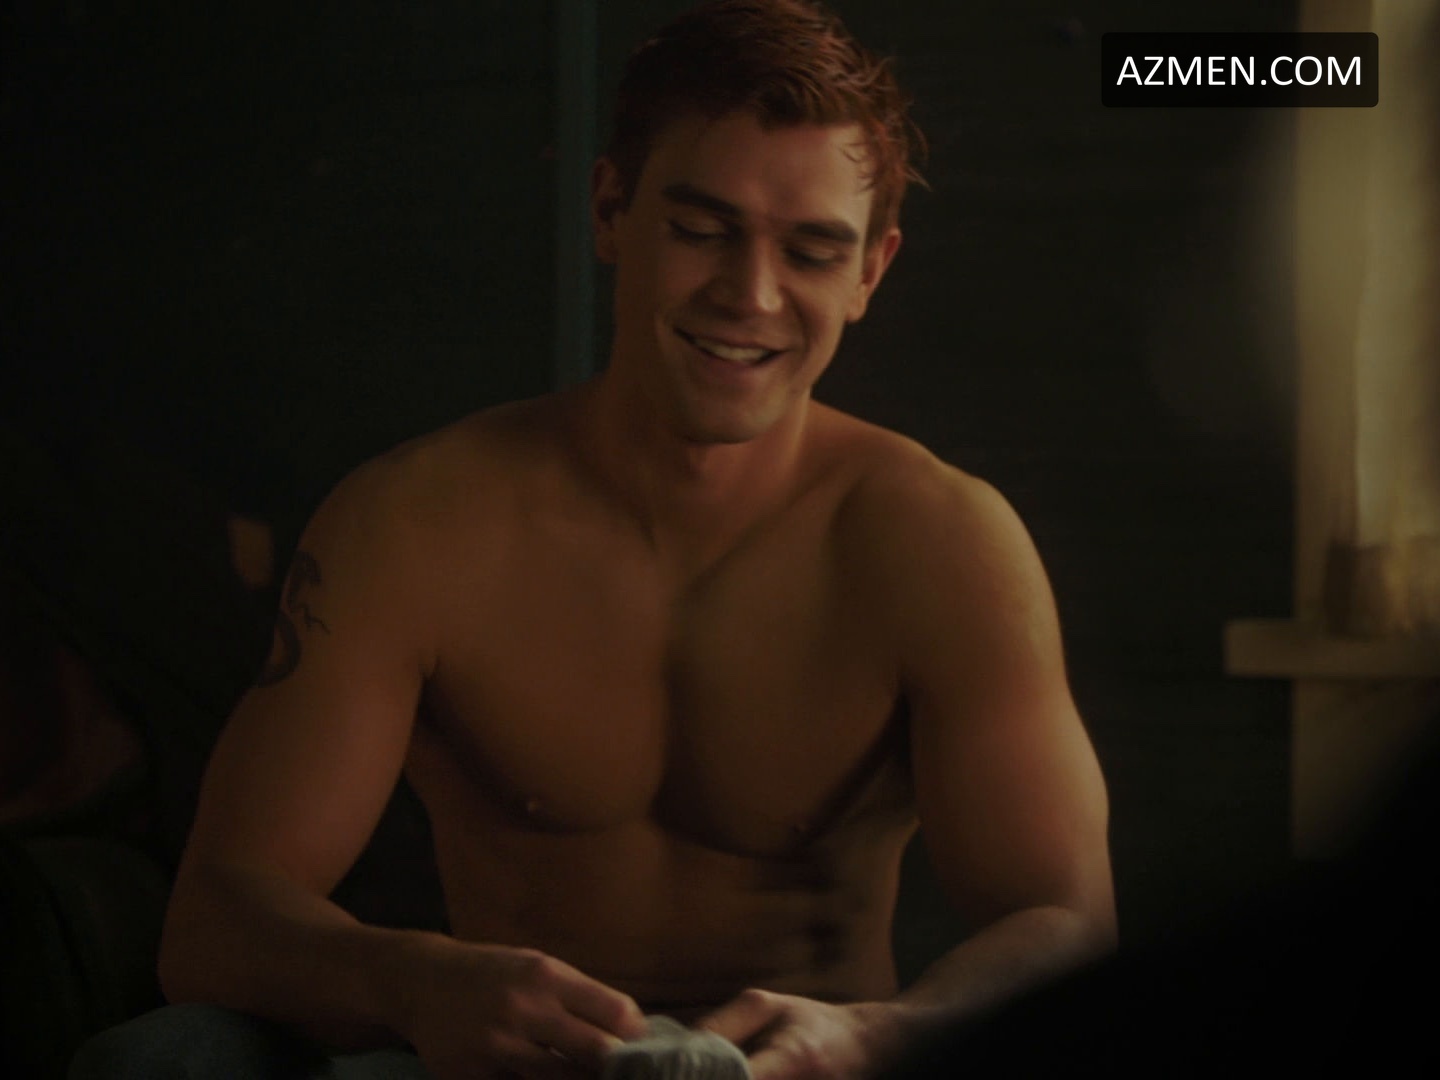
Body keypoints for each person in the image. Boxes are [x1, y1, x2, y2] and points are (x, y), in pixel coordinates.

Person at [70, 2, 1115, 1077]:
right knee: (160, 1062)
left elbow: (1067, 929)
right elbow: (215, 921)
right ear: (611, 209)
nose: (751, 295)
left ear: (869, 274)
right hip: (499, 1073)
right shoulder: (418, 523)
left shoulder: (939, 542)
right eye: (702, 230)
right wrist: (415, 982)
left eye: (810, 251)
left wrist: (873, 1037)